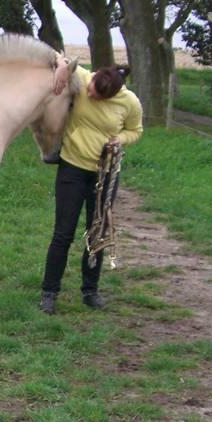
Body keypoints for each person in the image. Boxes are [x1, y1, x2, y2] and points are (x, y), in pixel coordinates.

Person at [39, 61, 143, 315]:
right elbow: (55, 55)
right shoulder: (85, 78)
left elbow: (135, 130)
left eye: (96, 95)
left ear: (112, 96)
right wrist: (63, 67)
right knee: (63, 233)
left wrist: (121, 139)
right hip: (72, 169)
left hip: (105, 173)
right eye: (91, 89)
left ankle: (90, 290)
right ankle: (49, 292)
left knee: (96, 234)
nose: (90, 94)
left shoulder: (129, 102)